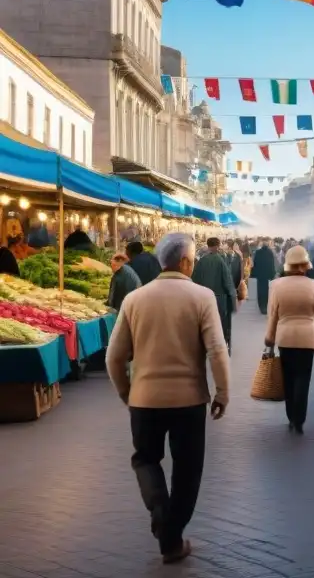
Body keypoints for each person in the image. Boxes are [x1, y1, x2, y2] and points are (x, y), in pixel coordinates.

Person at [105, 233, 229, 564]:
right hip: (189, 400)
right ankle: (171, 536)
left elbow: (114, 357)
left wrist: (125, 392)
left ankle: (161, 513)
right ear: (186, 261)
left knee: (145, 459)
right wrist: (223, 392)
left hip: (144, 399)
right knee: (188, 470)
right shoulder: (202, 297)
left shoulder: (135, 299)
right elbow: (217, 350)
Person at [264, 246, 314, 434]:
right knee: (303, 377)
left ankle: (291, 415)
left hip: (285, 337)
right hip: (308, 337)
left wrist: (270, 338)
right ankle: (299, 419)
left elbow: (273, 315)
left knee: (288, 377)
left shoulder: (276, 285)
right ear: (305, 264)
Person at [192, 238, 237, 353]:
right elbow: (227, 281)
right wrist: (232, 298)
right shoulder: (220, 260)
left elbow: (194, 279)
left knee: (205, 322)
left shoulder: (201, 261)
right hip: (219, 298)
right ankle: (218, 346)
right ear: (217, 245)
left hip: (203, 298)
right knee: (220, 323)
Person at [252, 239, 277, 314]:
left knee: (260, 291)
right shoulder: (270, 252)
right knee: (267, 291)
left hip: (260, 276)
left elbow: (255, 264)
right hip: (267, 276)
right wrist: (272, 275)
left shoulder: (258, 252)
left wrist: (254, 274)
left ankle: (261, 307)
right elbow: (272, 265)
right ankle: (266, 306)